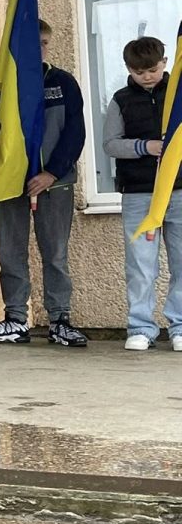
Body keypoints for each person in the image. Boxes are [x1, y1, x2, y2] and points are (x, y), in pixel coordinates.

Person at [0, 20, 88, 348]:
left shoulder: (63, 82)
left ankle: (60, 319)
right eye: (33, 44)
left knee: (55, 253)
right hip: (11, 182)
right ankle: (16, 318)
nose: (40, 49)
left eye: (44, 43)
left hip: (54, 183)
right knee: (9, 252)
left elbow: (75, 133)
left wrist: (52, 173)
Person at [103, 35, 182, 351]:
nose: (147, 77)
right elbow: (110, 144)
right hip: (138, 193)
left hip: (179, 190)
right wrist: (144, 147)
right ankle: (140, 327)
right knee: (140, 266)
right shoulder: (120, 99)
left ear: (165, 63)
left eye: (152, 70)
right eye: (139, 72)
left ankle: (179, 326)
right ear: (128, 69)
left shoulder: (178, 95)